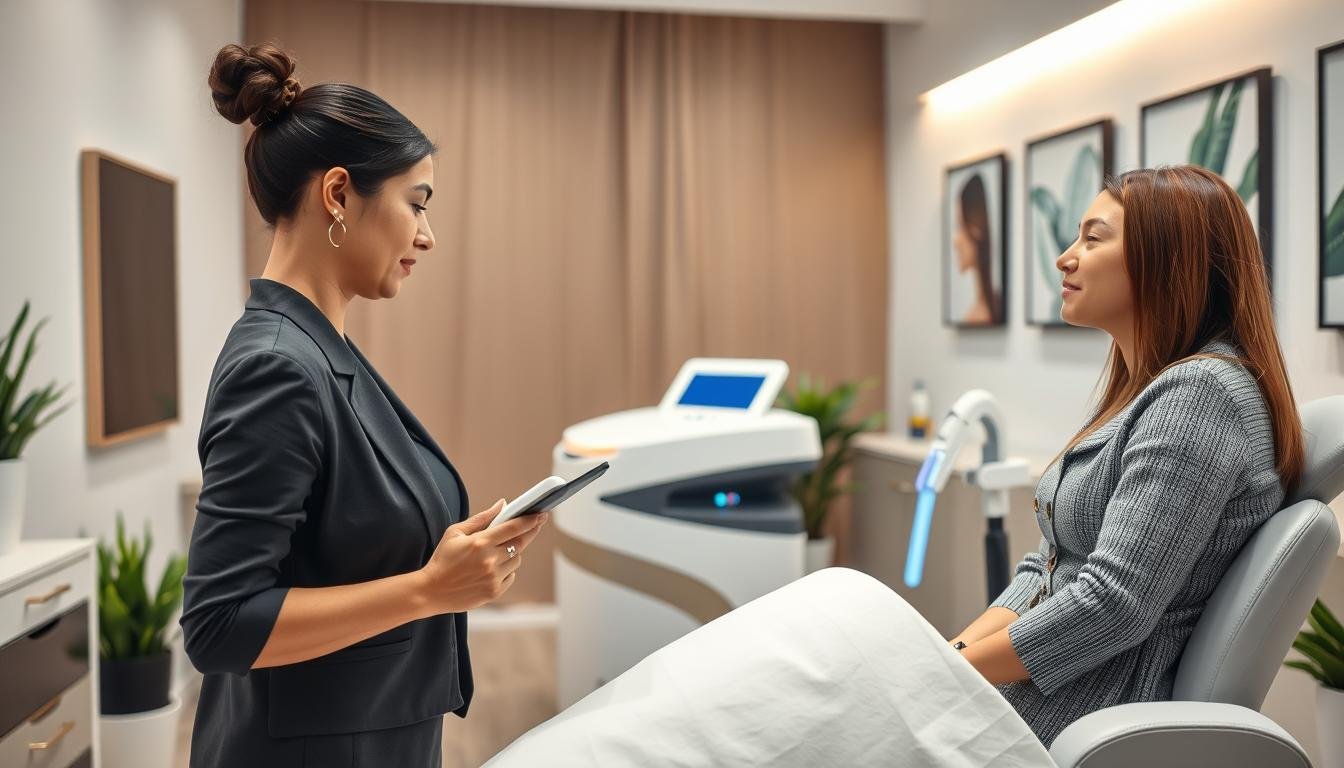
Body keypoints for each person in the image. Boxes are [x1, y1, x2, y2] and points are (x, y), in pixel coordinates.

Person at [179, 42, 549, 768]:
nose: (427, 235)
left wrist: (446, 560)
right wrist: (427, 589)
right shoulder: (276, 367)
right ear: (339, 194)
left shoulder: (321, 350)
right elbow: (219, 625)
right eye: (416, 204)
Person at [949, 164, 1303, 747]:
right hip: (1032, 700)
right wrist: (951, 658)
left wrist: (950, 675)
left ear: (1170, 262)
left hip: (1080, 709)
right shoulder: (1143, 392)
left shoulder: (1203, 397)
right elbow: (1046, 570)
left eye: (1093, 239)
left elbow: (1113, 605)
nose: (1066, 258)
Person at [953, 172, 1002, 325]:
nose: (955, 241)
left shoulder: (982, 313)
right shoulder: (978, 311)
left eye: (960, 226)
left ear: (976, 229)